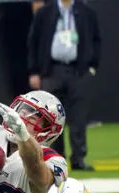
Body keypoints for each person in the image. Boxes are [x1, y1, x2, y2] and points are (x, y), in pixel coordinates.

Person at [28, 0, 101, 171]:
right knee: (51, 117)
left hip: (79, 71)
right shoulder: (45, 12)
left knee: (79, 116)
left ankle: (78, 158)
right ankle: (54, 158)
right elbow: (33, 42)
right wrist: (34, 71)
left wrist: (92, 67)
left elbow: (97, 40)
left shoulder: (86, 12)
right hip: (52, 70)